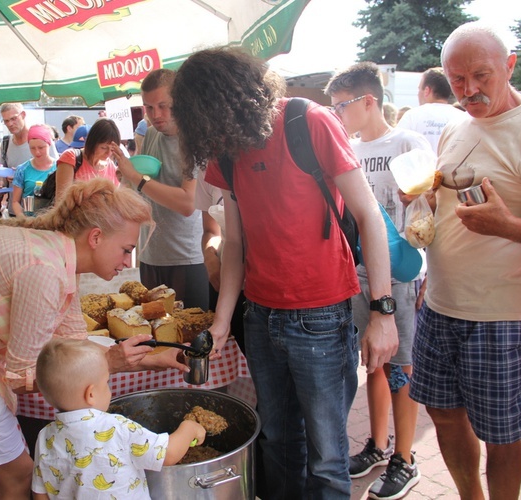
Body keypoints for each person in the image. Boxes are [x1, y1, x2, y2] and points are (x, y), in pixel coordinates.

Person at [171, 47, 398, 500]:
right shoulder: (229, 151)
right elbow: (235, 245)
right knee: (277, 441)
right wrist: (221, 321)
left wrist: (382, 313)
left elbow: (369, 215)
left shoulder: (306, 121)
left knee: (326, 456)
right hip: (261, 317)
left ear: (227, 102)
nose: (208, 136)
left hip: (322, 316)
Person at [0, 178, 189, 499]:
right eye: (127, 250)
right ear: (96, 237)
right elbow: (23, 375)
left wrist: (153, 360)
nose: (128, 262)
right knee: (16, 475)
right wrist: (109, 363)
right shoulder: (44, 270)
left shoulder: (56, 255)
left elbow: (73, 345)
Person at [409, 22, 521, 500]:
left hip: (503, 313)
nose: (469, 91)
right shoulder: (454, 126)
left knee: (502, 433)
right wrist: (424, 208)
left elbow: (504, 222)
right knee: (443, 414)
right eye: (458, 80)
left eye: (481, 76)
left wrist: (507, 226)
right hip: (442, 302)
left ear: (509, 66)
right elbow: (446, 204)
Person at [324, 61, 432, 500]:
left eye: (342, 106)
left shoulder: (408, 141)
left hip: (400, 275)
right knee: (374, 361)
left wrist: (427, 270)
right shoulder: (345, 147)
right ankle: (378, 445)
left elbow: (428, 216)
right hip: (356, 273)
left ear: (369, 101)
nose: (337, 114)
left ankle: (405, 458)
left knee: (401, 365)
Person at [31, 337, 206, 499]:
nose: (109, 389)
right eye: (106, 382)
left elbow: (40, 493)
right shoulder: (116, 427)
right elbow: (167, 455)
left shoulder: (45, 437)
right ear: (90, 394)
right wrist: (189, 428)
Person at [110, 69, 208, 309]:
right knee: (156, 336)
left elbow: (188, 204)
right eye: (149, 108)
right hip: (150, 255)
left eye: (164, 106)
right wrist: (125, 179)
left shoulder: (194, 140)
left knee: (189, 338)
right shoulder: (151, 134)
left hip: (188, 258)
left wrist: (137, 178)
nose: (156, 115)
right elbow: (140, 189)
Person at [397, 67, 466, 154]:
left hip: (420, 167)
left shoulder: (412, 116)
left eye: (419, 89)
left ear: (426, 91)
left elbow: (396, 147)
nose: (418, 94)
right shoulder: (462, 118)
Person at [54, 120, 119, 200]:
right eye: (104, 148)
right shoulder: (70, 158)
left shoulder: (111, 166)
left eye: (112, 149)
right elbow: (61, 201)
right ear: (92, 142)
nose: (108, 153)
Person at [10, 124, 57, 218]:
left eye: (41, 147)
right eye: (32, 148)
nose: (37, 152)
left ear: (49, 144)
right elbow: (15, 201)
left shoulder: (59, 168)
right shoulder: (22, 169)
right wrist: (22, 218)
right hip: (29, 221)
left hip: (51, 221)